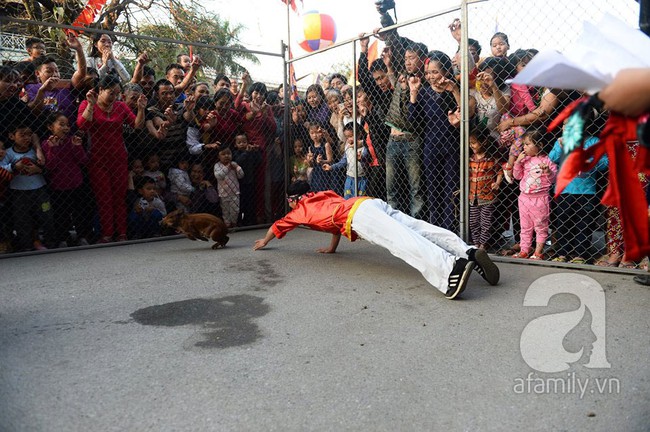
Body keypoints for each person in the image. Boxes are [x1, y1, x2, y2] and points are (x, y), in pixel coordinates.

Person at [253, 181, 500, 300]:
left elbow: (277, 226)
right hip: (367, 202)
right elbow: (333, 223)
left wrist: (265, 241)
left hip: (359, 216)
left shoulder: (298, 211)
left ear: (295, 199)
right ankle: (467, 251)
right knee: (418, 228)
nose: (290, 205)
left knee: (402, 241)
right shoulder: (321, 195)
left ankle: (450, 270)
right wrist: (331, 247)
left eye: (290, 201)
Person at [77, 74, 147, 243]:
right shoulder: (87, 104)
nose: (114, 97)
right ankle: (107, 233)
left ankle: (122, 233)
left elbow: (137, 125)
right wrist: (92, 106)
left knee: (119, 197)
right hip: (97, 160)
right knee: (104, 198)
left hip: (119, 159)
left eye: (117, 93)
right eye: (111, 93)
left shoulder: (120, 106)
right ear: (100, 90)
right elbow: (82, 125)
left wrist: (141, 109)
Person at [549, 125, 608, 264]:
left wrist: (590, 161)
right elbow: (552, 158)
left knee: (584, 223)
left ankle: (580, 254)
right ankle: (563, 252)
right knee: (563, 222)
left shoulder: (593, 142)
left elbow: (606, 161)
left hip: (586, 191)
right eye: (565, 125)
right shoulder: (562, 142)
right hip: (564, 190)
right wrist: (560, 145)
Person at [41, 111, 93, 247]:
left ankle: (82, 236)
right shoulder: (47, 144)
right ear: (50, 127)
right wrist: (53, 149)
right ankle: (63, 238)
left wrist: (77, 148)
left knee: (80, 212)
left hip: (76, 183)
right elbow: (50, 166)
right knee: (60, 214)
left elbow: (84, 161)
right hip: (58, 186)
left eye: (67, 125)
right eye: (61, 124)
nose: (65, 128)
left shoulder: (72, 141)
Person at [0, 121, 54, 251]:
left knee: (47, 216)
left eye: (29, 134)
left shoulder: (36, 151)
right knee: (22, 220)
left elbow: (49, 167)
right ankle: (26, 246)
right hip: (19, 193)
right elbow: (2, 168)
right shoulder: (8, 153)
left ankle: (51, 243)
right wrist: (14, 167)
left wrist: (39, 169)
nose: (27, 138)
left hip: (39, 190)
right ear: (12, 136)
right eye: (22, 135)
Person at [512, 130, 557, 260]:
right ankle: (524, 250)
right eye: (524, 144)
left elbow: (553, 179)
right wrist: (518, 162)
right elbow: (517, 176)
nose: (524, 147)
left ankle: (538, 252)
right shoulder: (525, 160)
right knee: (525, 226)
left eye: (527, 144)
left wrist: (548, 171)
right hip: (524, 198)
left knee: (540, 226)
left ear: (540, 145)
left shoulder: (548, 160)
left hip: (540, 198)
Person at [468, 127, 502, 250]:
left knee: (485, 222)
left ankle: (483, 244)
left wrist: (497, 183)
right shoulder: (470, 159)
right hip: (473, 196)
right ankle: (476, 242)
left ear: (484, 142)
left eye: (473, 143)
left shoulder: (490, 159)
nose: (471, 145)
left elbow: (499, 171)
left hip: (487, 196)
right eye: (470, 143)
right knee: (473, 221)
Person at [323, 122, 370, 199]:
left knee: (360, 201)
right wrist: (331, 167)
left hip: (361, 178)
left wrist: (361, 159)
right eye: (347, 137)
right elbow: (343, 161)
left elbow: (366, 163)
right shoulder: (347, 147)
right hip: (350, 178)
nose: (349, 140)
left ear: (359, 134)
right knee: (348, 199)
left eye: (351, 136)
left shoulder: (364, 148)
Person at [232, 133, 262, 226]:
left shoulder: (250, 152)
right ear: (235, 144)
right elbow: (238, 162)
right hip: (239, 183)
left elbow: (258, 161)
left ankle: (250, 220)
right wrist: (246, 153)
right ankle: (240, 222)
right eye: (239, 142)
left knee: (250, 202)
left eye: (244, 142)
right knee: (241, 203)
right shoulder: (236, 153)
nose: (242, 144)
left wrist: (257, 151)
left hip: (250, 181)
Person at [213, 147, 244, 228]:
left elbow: (241, 175)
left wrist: (237, 168)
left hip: (234, 192)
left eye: (228, 154)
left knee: (235, 210)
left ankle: (234, 224)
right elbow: (219, 176)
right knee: (225, 211)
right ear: (218, 156)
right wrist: (227, 168)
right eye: (223, 154)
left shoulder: (233, 164)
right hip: (223, 194)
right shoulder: (217, 166)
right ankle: (227, 225)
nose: (226, 156)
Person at [306, 122, 333, 192]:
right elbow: (311, 164)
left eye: (316, 133)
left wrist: (322, 161)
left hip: (325, 172)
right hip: (315, 173)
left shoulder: (325, 145)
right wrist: (309, 160)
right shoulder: (310, 148)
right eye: (312, 133)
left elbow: (330, 160)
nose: (314, 135)